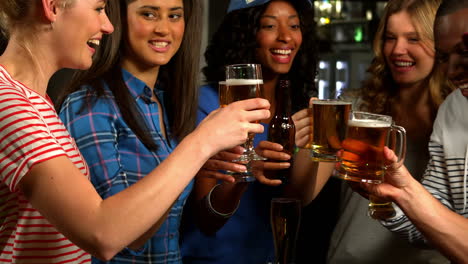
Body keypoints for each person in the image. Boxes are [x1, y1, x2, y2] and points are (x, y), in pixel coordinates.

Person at [0, 0, 270, 263]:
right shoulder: (10, 102)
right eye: (98, 8)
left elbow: (133, 233)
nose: (108, 26)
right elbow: (103, 234)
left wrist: (201, 162)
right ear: (53, 6)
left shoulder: (33, 100)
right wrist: (200, 143)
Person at [179, 0, 332, 263]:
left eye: (294, 25)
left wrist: (306, 148)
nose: (286, 36)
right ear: (245, 33)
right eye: (270, 25)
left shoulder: (297, 109)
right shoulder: (208, 106)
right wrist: (248, 168)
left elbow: (295, 198)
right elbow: (206, 219)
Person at [327, 0, 453, 263]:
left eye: (413, 39)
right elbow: (302, 192)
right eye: (390, 38)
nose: (397, 50)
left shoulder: (457, 118)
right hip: (348, 257)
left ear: (440, 45)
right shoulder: (357, 108)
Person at [364, 0, 468, 263]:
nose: (453, 70)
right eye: (444, 56)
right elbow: (432, 229)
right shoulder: (452, 109)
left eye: (465, 51)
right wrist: (393, 195)